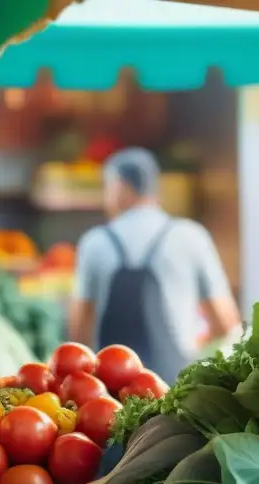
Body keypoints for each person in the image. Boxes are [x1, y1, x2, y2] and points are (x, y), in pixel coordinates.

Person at [69, 148, 241, 384]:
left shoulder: (95, 242)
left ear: (122, 187)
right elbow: (225, 323)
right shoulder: (191, 236)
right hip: (176, 388)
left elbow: (79, 331)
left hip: (110, 390)